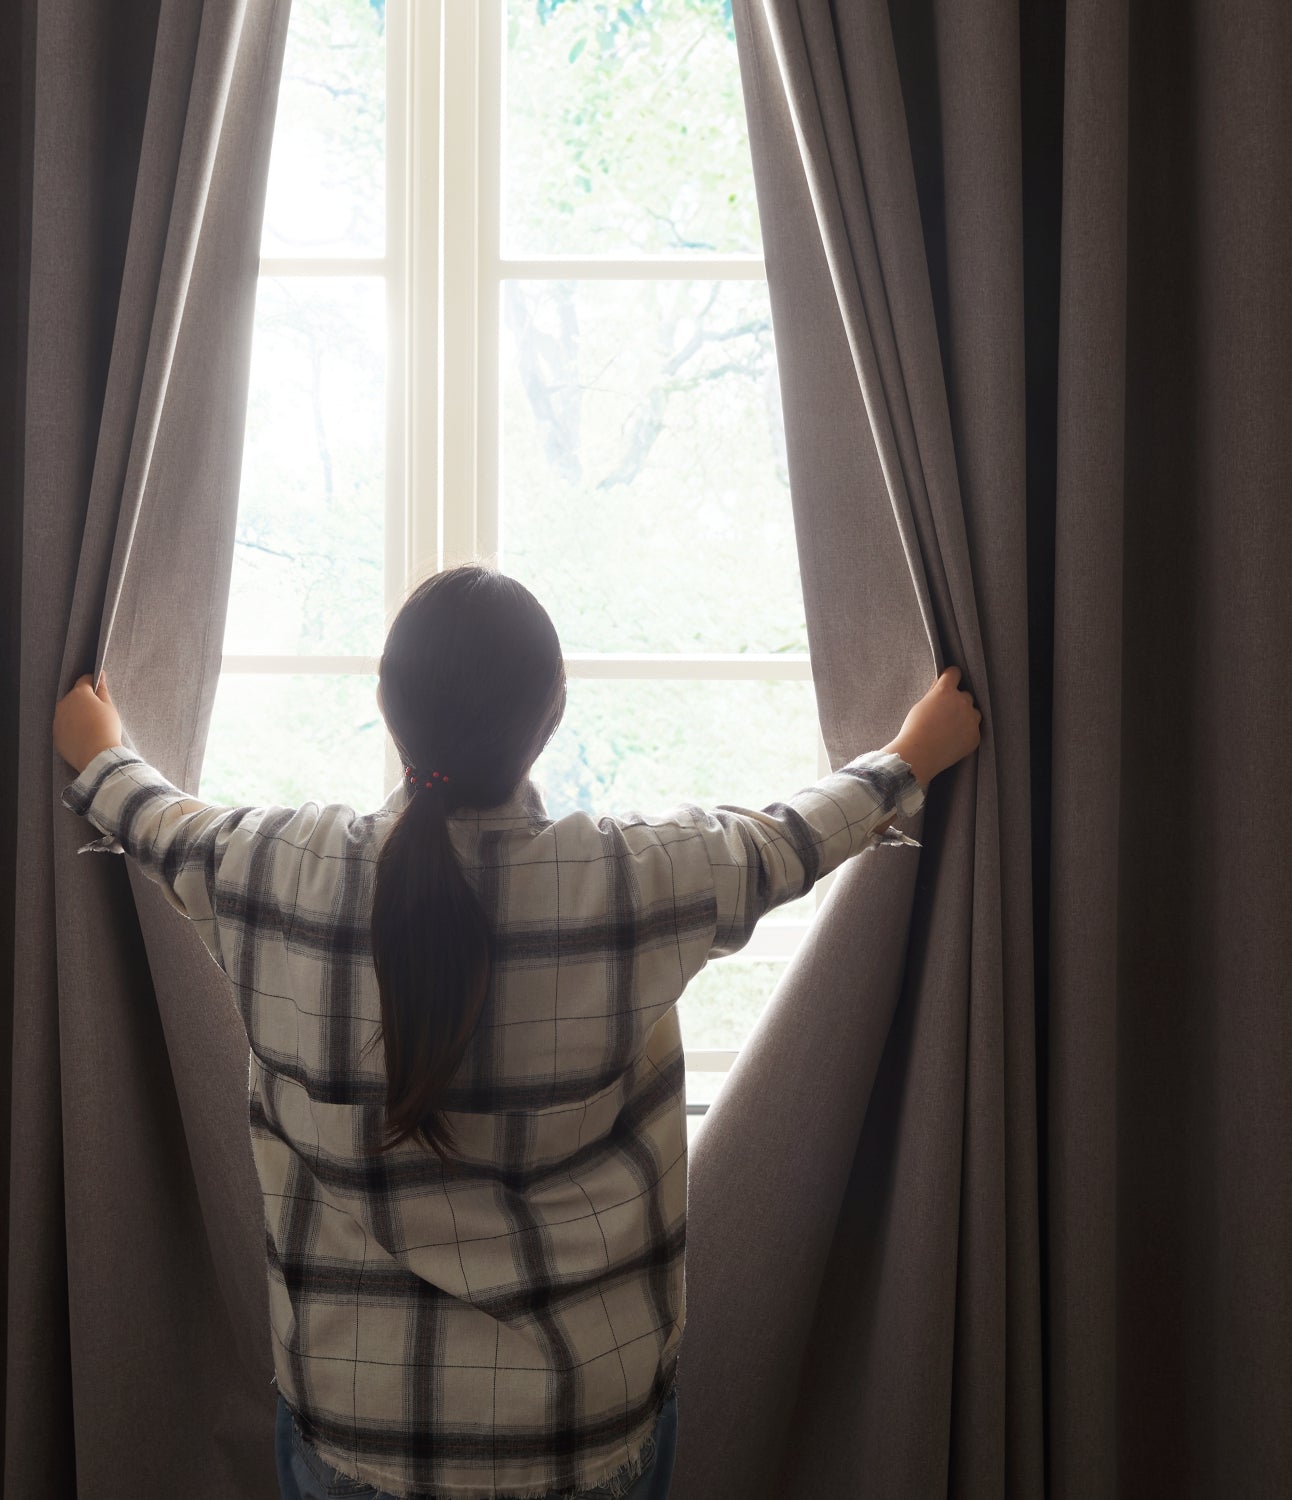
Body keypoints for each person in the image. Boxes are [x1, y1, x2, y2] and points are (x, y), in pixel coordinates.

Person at [52, 563, 981, 1500]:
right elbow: (786, 840)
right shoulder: (626, 879)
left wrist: (98, 753)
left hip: (356, 1426)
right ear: (552, 716)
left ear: (386, 705)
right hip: (583, 1428)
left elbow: (155, 821)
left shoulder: (276, 867)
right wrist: (909, 756)